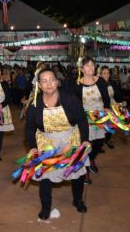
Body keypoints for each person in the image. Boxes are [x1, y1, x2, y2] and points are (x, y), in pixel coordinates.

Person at [26, 68, 90, 220]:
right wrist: (33, 146)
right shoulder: (35, 104)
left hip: (70, 139)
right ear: (39, 85)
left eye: (52, 80)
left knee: (76, 173)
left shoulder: (69, 99)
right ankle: (46, 207)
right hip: (47, 142)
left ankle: (78, 200)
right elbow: (29, 128)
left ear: (57, 82)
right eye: (44, 81)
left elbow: (82, 120)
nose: (49, 84)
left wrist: (85, 139)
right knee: (45, 176)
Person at [74, 56, 110, 185]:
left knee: (99, 143)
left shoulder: (100, 81)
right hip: (85, 119)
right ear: (82, 69)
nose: (91, 67)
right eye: (87, 65)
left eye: (92, 65)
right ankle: (86, 173)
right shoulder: (77, 84)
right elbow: (76, 104)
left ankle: (92, 158)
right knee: (86, 145)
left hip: (100, 117)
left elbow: (106, 98)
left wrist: (107, 108)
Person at [100, 66, 123, 149]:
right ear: (100, 74)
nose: (106, 75)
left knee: (112, 125)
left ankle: (108, 139)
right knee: (102, 126)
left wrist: (120, 103)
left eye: (108, 73)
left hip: (113, 107)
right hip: (102, 107)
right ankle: (100, 142)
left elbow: (118, 96)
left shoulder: (112, 83)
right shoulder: (97, 84)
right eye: (104, 73)